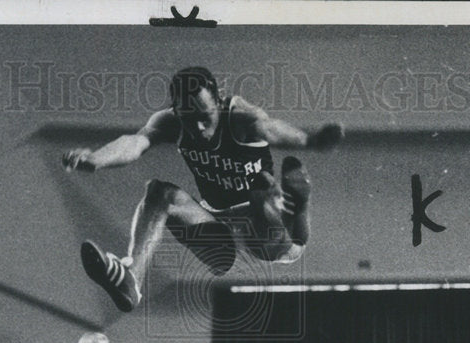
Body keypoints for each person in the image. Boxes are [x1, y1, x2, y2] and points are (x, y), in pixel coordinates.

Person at [63, 66, 345, 312]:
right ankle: (131, 279)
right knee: (159, 193)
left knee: (263, 189)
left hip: (264, 232)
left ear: (219, 102)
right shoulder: (168, 122)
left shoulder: (240, 117)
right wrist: (95, 159)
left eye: (205, 117)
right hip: (219, 236)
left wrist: (311, 141)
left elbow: (271, 129)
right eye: (188, 118)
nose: (197, 128)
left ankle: (300, 207)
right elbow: (135, 143)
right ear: (176, 111)